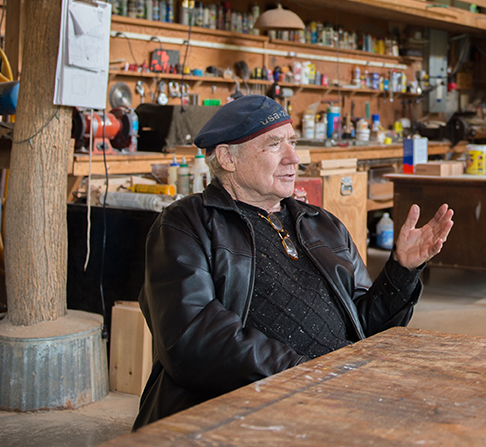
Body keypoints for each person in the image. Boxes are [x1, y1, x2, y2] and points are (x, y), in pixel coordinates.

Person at [134, 95, 453, 429]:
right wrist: (310, 372)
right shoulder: (186, 224)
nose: (293, 157)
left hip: (334, 395)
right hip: (242, 411)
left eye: (293, 142)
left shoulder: (322, 224)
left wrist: (401, 270)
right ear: (227, 157)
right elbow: (195, 339)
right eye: (274, 144)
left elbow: (365, 326)